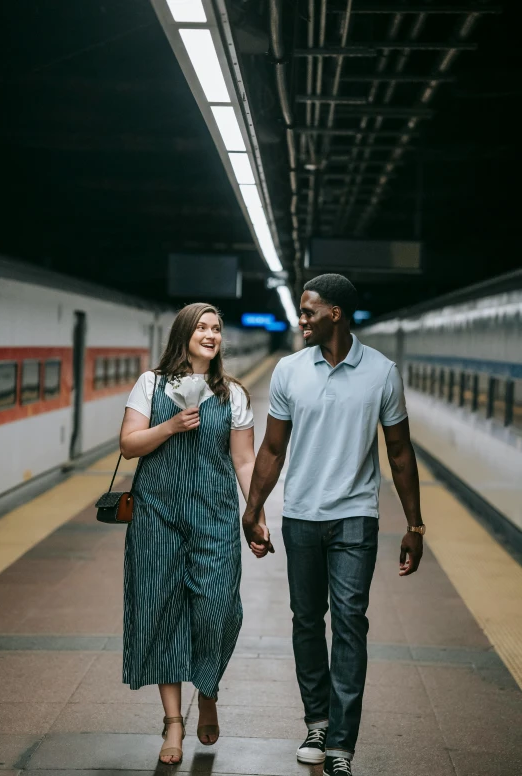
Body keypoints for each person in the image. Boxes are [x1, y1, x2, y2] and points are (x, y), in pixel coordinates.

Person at [242, 274, 424, 776]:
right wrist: (254, 508)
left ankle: (341, 744)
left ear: (336, 314)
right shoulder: (288, 371)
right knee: (306, 622)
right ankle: (316, 721)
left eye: (309, 312)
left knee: (349, 625)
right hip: (300, 514)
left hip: (355, 518)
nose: (300, 319)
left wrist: (416, 525)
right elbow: (273, 448)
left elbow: (400, 451)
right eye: (301, 311)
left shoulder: (382, 373)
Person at [120, 302, 269, 765]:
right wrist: (169, 426)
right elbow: (128, 445)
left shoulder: (233, 395)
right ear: (184, 333)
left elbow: (243, 460)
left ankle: (207, 688)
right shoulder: (151, 384)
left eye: (216, 328)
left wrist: (256, 510)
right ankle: (173, 725)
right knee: (162, 611)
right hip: (156, 513)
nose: (211, 334)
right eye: (202, 327)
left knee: (219, 608)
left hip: (215, 513)